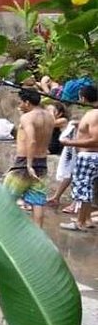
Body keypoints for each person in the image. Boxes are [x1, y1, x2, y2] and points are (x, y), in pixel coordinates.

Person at [3, 88, 55, 227]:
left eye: (20, 102)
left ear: (27, 102)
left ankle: (5, 229)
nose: (19, 105)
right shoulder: (50, 117)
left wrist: (29, 165)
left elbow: (32, 140)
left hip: (25, 163)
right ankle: (38, 236)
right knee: (38, 201)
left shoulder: (27, 117)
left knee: (6, 199)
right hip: (42, 163)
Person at [60, 85, 98, 231]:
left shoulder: (94, 114)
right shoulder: (92, 114)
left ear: (83, 98)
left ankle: (80, 222)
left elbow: (95, 139)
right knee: (86, 187)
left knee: (82, 188)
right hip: (91, 157)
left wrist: (69, 142)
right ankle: (86, 219)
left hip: (88, 156)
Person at [48, 117, 80, 212]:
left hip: (87, 154)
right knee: (70, 174)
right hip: (77, 152)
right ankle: (56, 197)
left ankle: (76, 204)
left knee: (81, 179)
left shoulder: (64, 120)